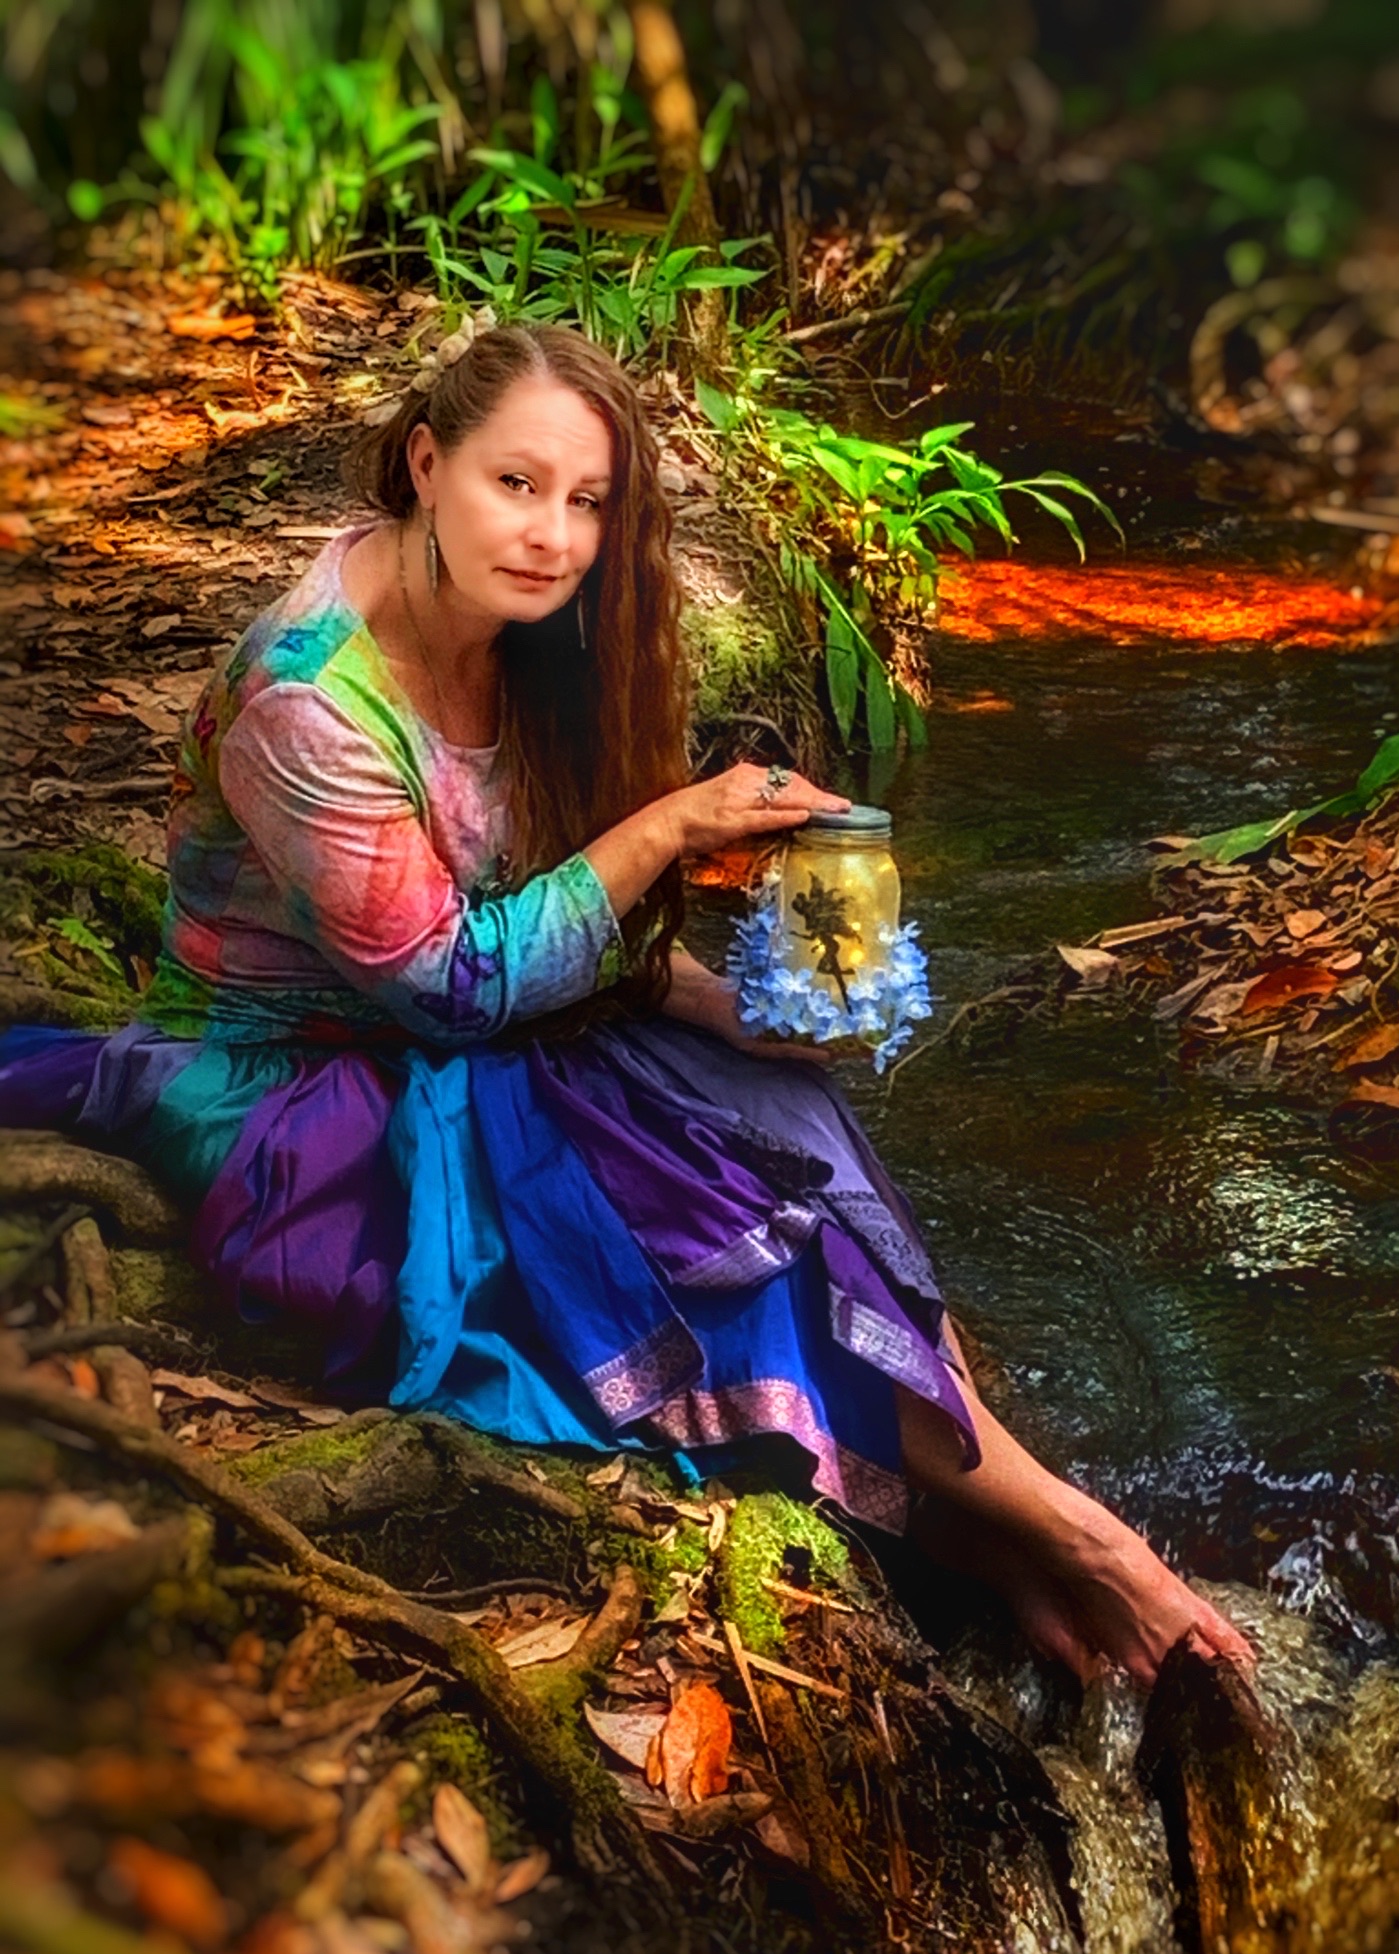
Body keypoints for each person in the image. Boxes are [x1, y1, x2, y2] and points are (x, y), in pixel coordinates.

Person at [0, 321, 1250, 1689]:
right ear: (426, 463)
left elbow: (563, 924)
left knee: (778, 1100)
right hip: (300, 1091)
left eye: (587, 502)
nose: (551, 534)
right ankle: (1074, 1533)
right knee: (688, 1211)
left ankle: (993, 1525)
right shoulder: (306, 704)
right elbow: (453, 989)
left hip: (481, 1030)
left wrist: (736, 1011)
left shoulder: (522, 635)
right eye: (515, 484)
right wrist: (669, 828)